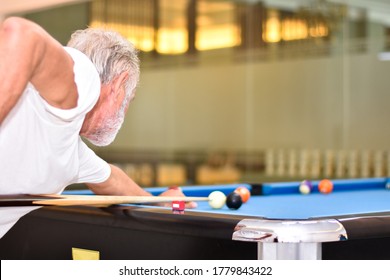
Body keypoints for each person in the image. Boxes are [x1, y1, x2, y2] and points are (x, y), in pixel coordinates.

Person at [0, 17, 194, 239]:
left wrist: (160, 200)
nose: (125, 110)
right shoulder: (84, 82)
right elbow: (22, 34)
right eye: (129, 98)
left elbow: (113, 182)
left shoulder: (71, 152)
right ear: (119, 84)